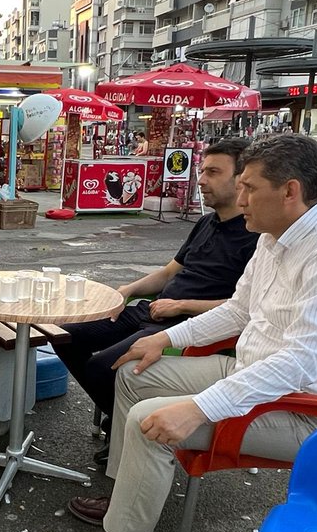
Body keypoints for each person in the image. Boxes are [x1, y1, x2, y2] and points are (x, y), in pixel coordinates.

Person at [58, 133, 317, 532]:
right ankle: (126, 496)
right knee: (135, 372)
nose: (241, 196)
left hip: (307, 411)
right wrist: (166, 338)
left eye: (250, 187)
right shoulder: (275, 238)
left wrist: (197, 407)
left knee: (147, 416)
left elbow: (300, 364)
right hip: (258, 374)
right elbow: (239, 310)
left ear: (290, 191)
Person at [54, 138, 258, 464]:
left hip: (187, 327)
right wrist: (127, 289)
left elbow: (242, 307)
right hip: (150, 312)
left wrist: (183, 306)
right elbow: (168, 273)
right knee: (65, 334)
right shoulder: (206, 223)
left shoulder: (255, 235)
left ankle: (129, 428)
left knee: (102, 366)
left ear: (241, 179)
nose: (201, 180)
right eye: (202, 171)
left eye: (213, 172)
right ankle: (119, 415)